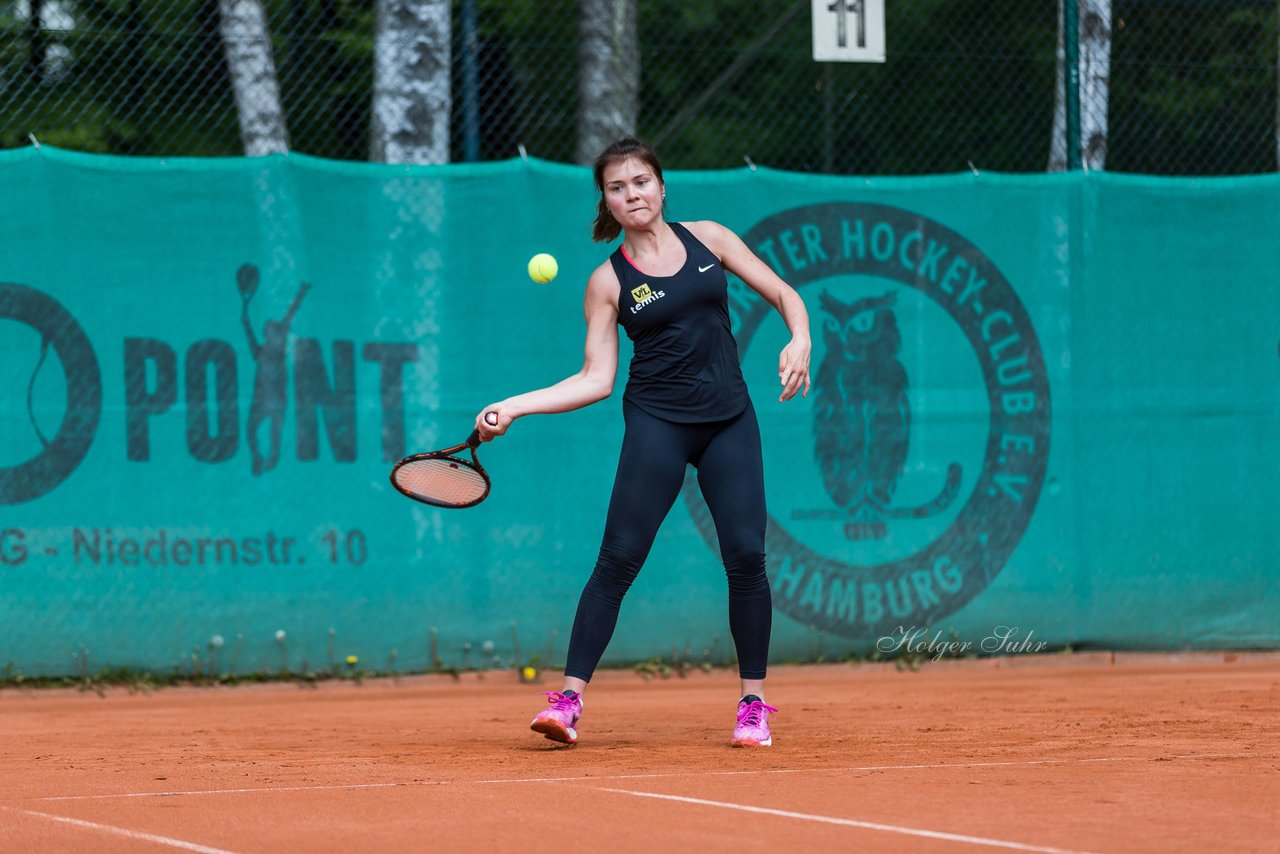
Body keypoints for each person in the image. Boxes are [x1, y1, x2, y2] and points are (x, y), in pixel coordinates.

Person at [475, 138, 810, 748]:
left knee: (746, 557)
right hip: (657, 422)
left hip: (730, 420)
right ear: (606, 200)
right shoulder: (608, 281)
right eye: (617, 187)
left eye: (640, 182)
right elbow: (595, 379)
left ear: (661, 185)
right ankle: (568, 702)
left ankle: (753, 705)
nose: (632, 194)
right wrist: (516, 406)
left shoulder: (710, 238)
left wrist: (799, 337)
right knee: (618, 559)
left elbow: (786, 294)